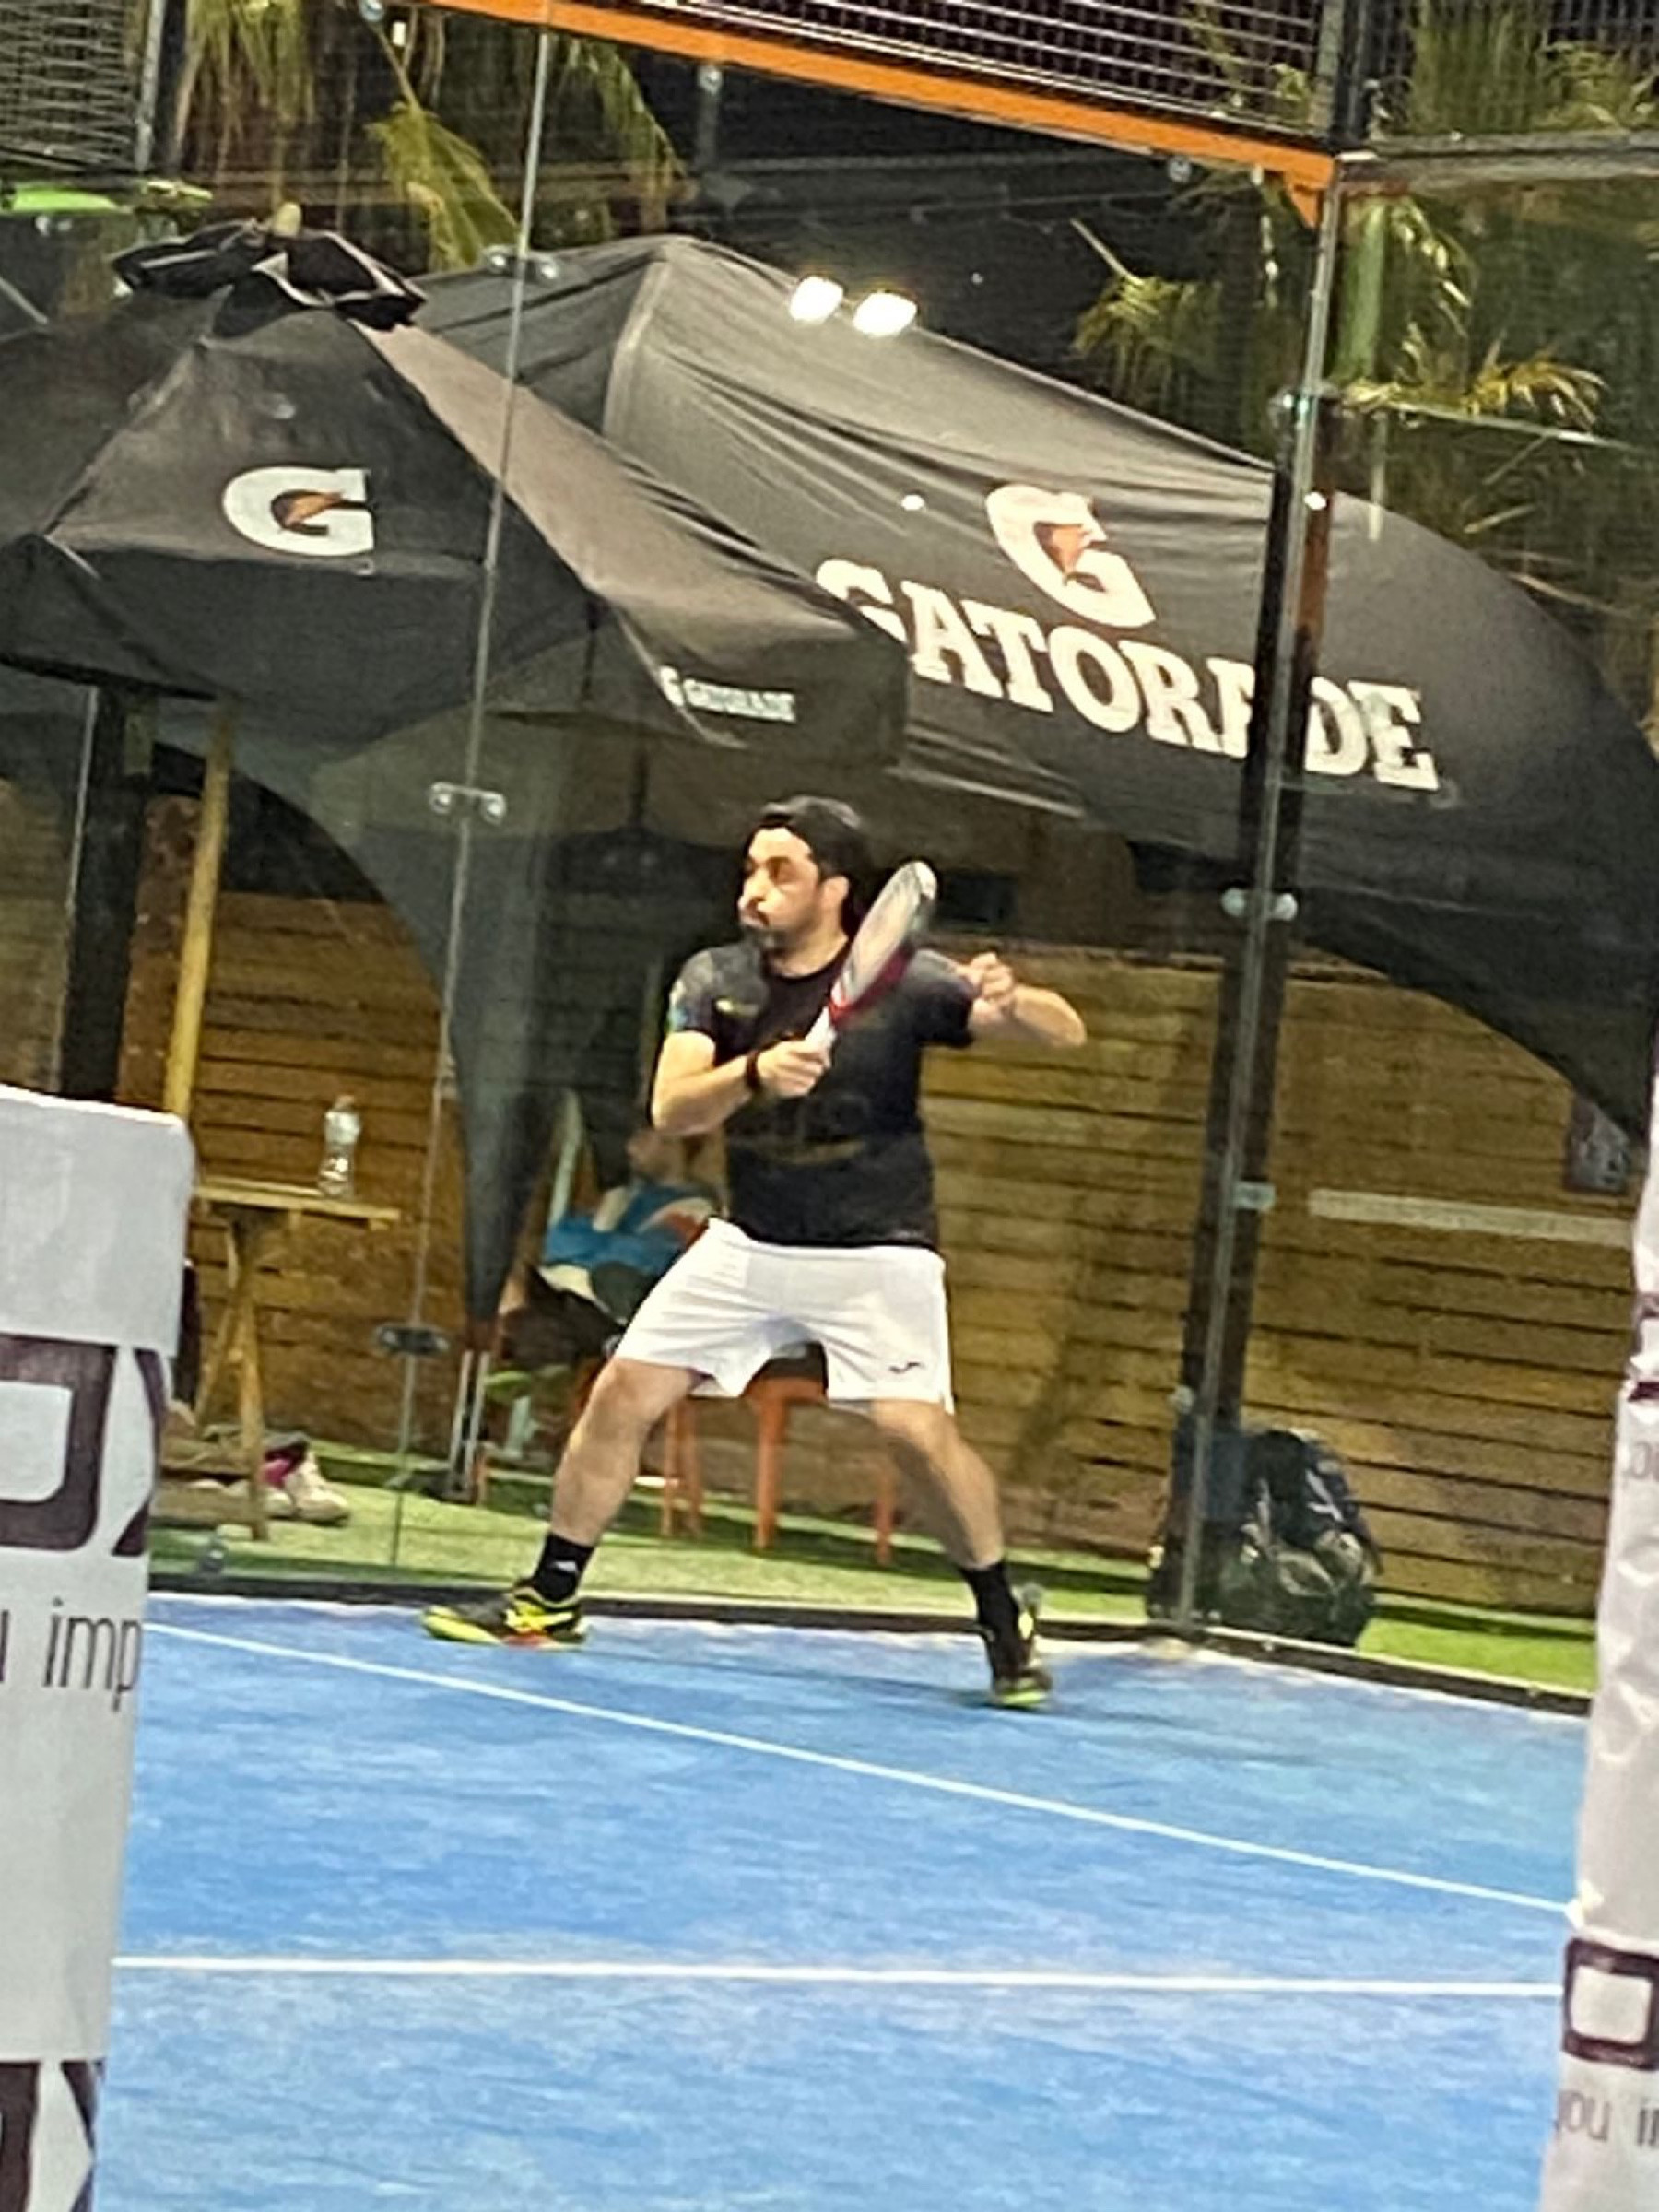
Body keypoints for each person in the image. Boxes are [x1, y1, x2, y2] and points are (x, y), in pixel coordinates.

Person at [424, 795, 1087, 1707]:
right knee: (622, 1392)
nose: (755, 889)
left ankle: (1005, 1625)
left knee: (913, 1432)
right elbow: (672, 1110)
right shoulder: (715, 979)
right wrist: (753, 1072)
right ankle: (550, 1597)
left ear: (835, 890)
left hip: (879, 1251)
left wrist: (1017, 1003)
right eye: (750, 869)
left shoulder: (905, 981)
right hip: (751, 1245)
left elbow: (1065, 1030)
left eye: (781, 872)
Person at [501, 1124, 716, 1375]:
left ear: (673, 1144)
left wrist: (598, 1235)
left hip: (609, 1313)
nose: (631, 1147)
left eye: (643, 1138)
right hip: (567, 1292)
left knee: (601, 1284)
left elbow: (637, 1259)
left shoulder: (693, 1207)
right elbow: (559, 1240)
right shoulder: (628, 1195)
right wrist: (603, 1230)